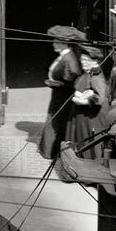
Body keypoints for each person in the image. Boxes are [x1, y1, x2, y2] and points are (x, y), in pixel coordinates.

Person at [38, 28, 83, 159]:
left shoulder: (69, 58)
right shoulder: (64, 55)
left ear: (64, 43)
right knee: (54, 120)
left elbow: (71, 80)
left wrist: (54, 83)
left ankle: (53, 151)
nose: (53, 44)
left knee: (57, 121)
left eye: (56, 42)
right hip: (58, 94)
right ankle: (49, 150)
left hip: (63, 96)